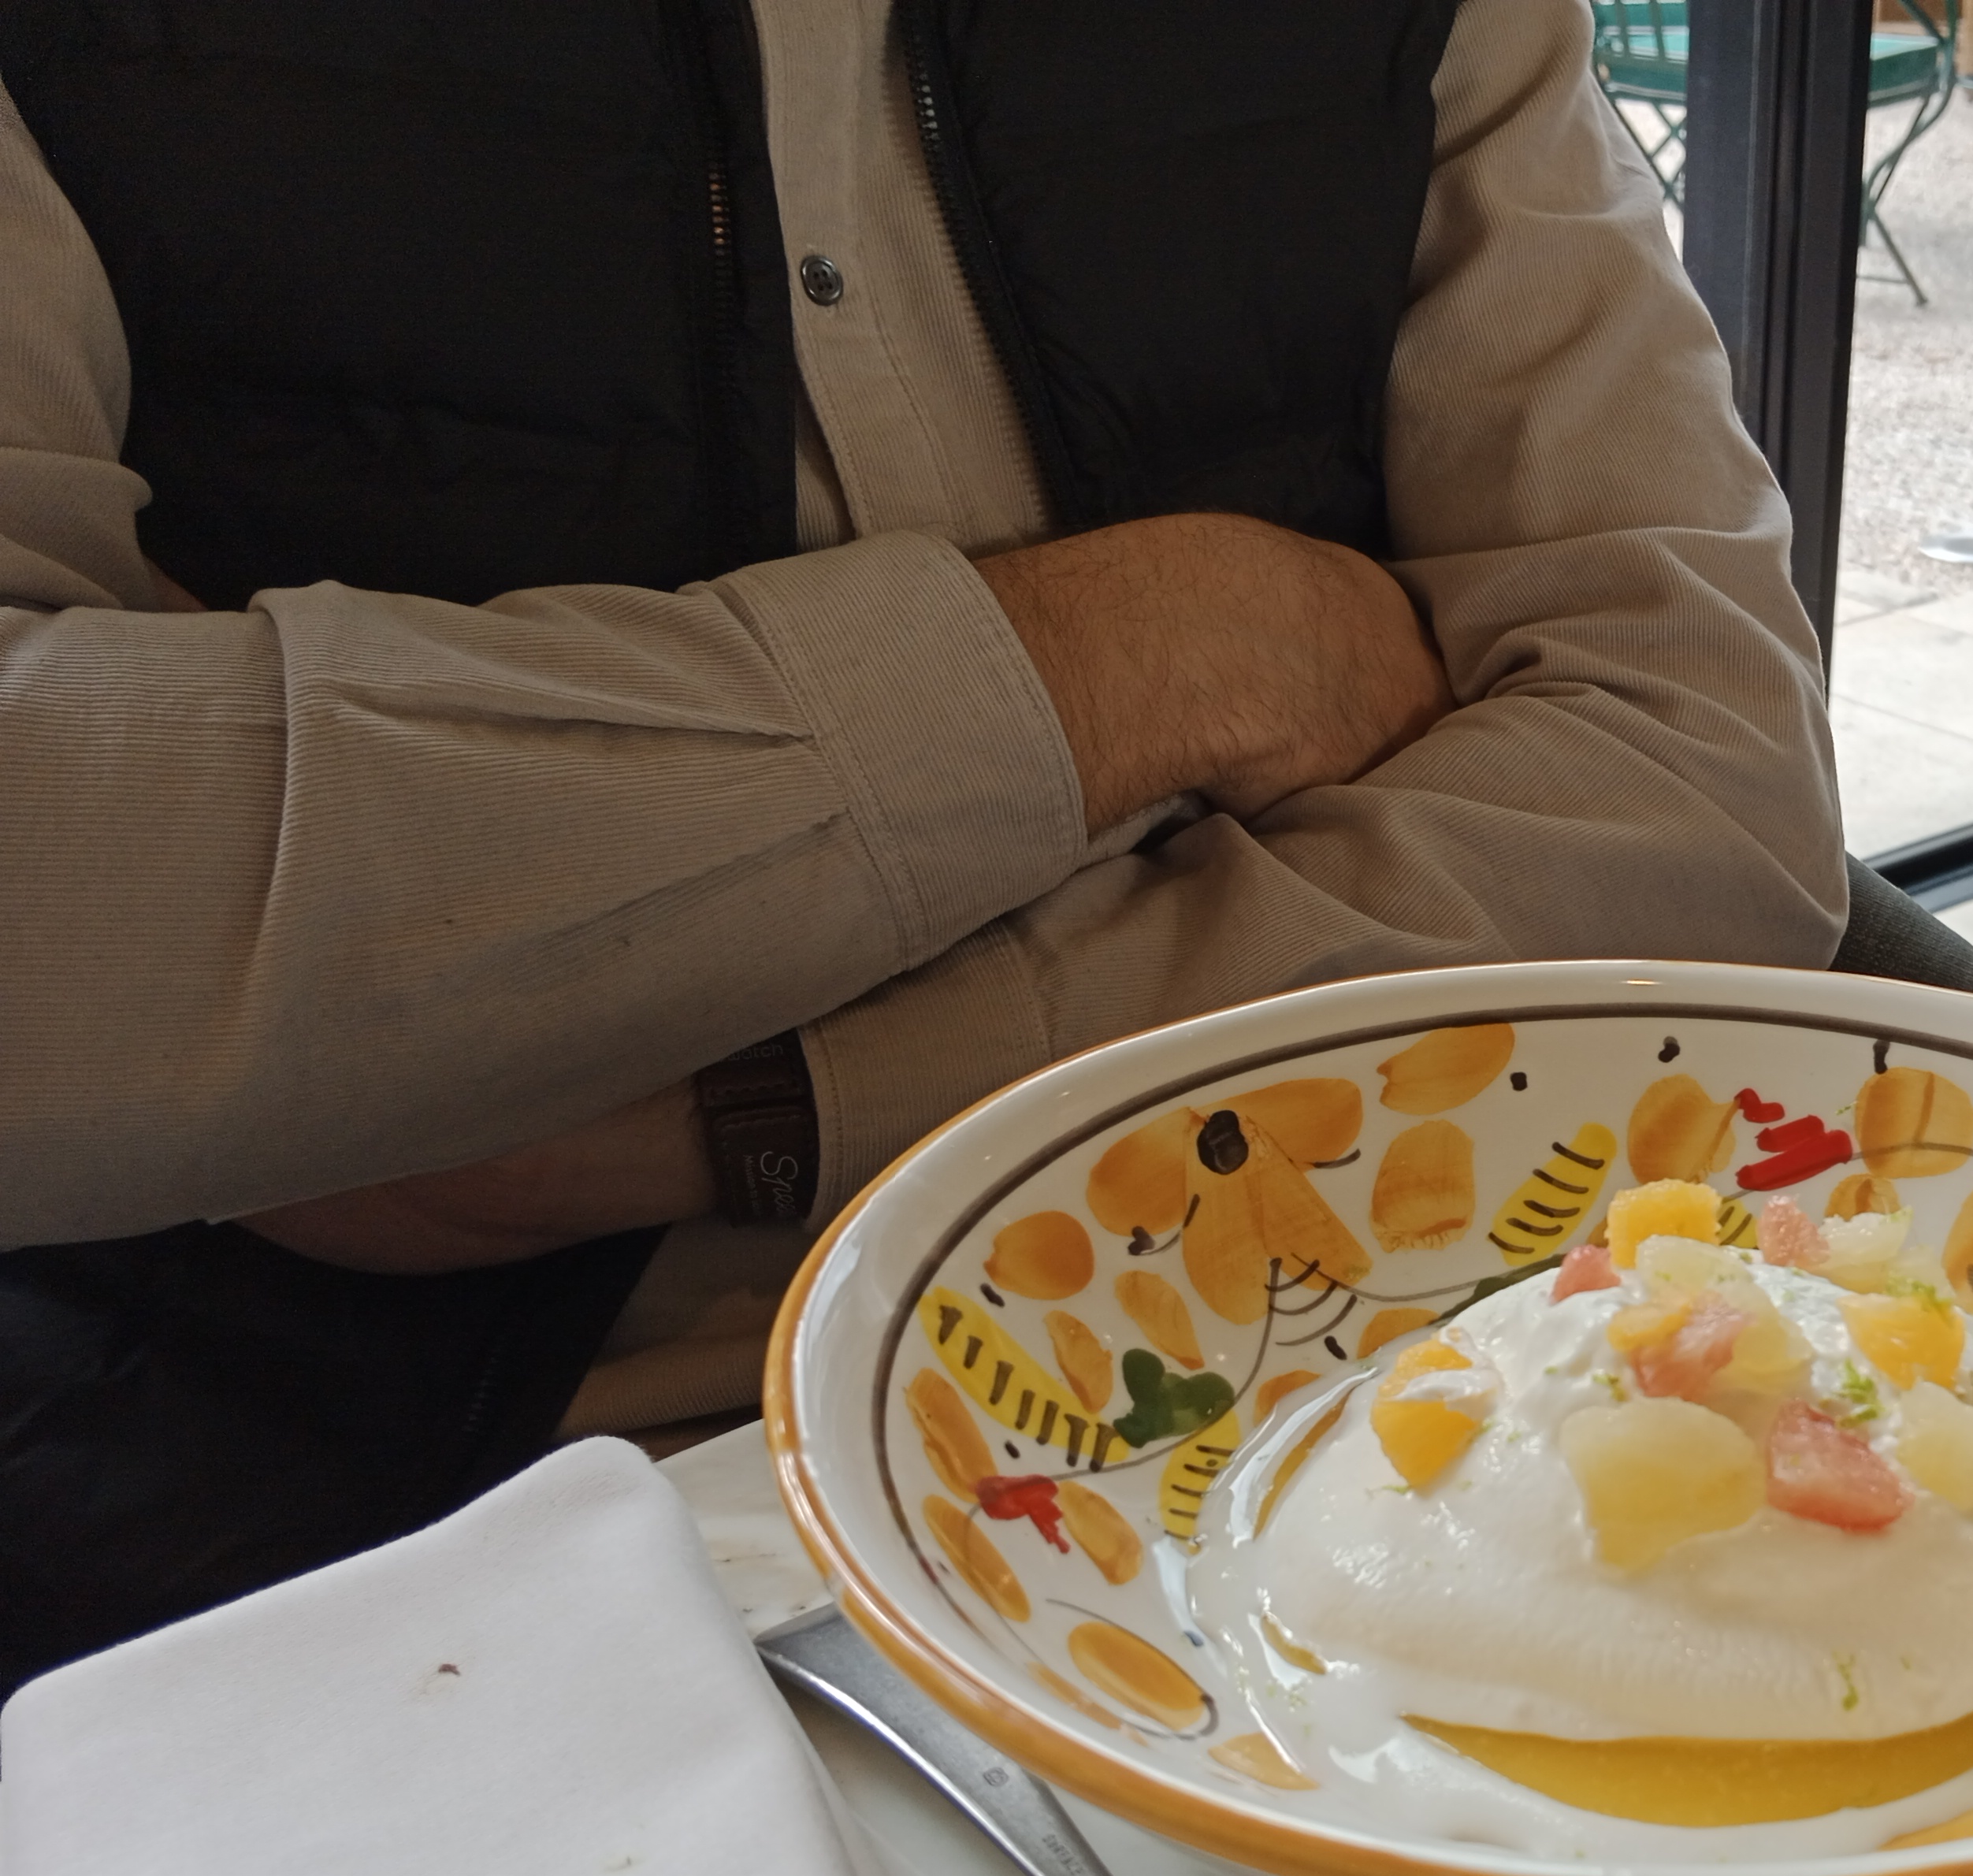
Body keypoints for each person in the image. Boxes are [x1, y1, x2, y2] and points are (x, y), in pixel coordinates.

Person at [0, 0, 1844, 1661]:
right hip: (391, 1529)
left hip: (1390, 1358)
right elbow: (56, 947)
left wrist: (734, 1108)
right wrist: (1135, 656)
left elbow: (1711, 790)